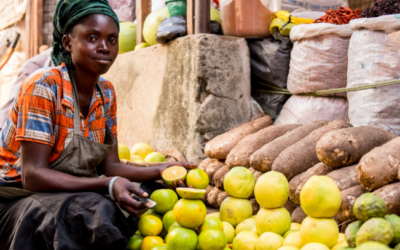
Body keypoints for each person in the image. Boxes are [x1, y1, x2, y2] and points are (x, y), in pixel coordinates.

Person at [0, 0, 195, 249]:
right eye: (92, 38)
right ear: (68, 43)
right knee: (86, 211)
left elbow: (111, 166)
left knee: (148, 191)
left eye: (112, 40)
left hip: (65, 188)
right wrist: (107, 184)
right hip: (16, 196)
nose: (104, 47)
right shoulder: (44, 86)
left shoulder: (106, 94)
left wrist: (163, 170)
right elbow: (32, 176)